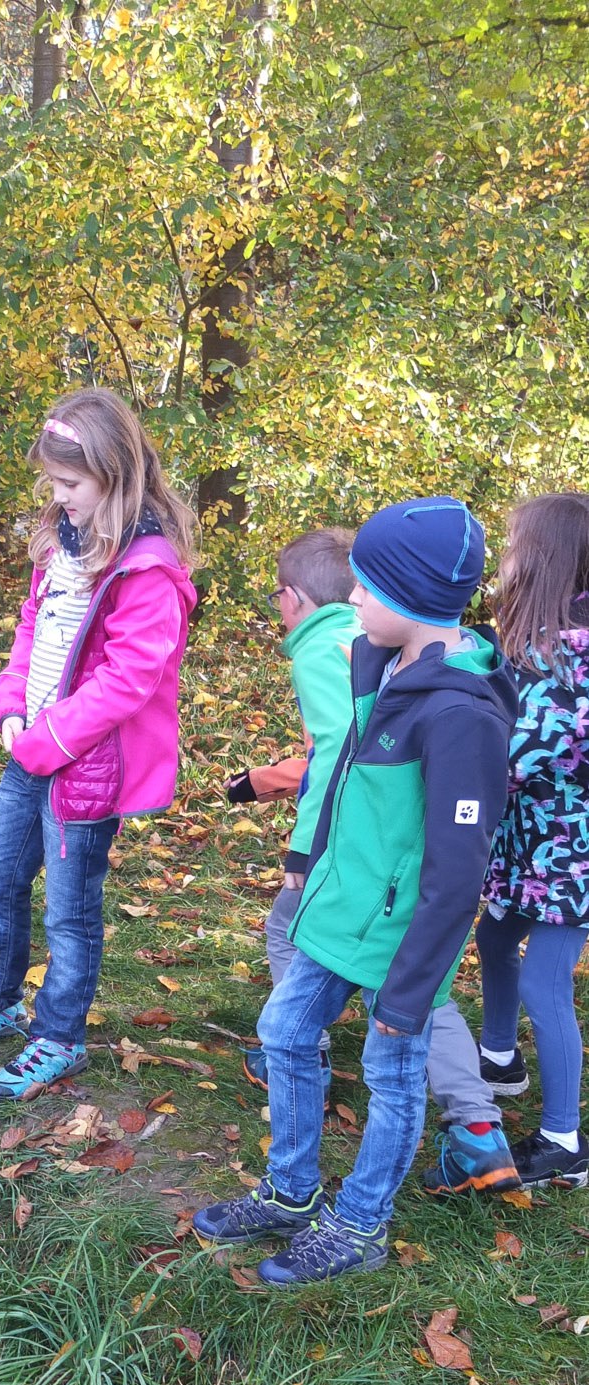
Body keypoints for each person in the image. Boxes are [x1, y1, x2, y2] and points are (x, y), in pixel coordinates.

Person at [194, 496, 516, 1284]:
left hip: (398, 934)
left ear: (410, 596)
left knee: (391, 1069)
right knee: (284, 1028)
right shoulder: (379, 664)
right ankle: (293, 1190)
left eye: (368, 588)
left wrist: (411, 989)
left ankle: (362, 1222)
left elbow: (457, 869)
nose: (355, 601)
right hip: (339, 910)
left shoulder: (459, 716)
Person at [0, 389, 197, 1099]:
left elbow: (129, 678)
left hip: (86, 768)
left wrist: (49, 738)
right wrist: (11, 701)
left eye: (71, 484)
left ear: (114, 474)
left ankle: (59, 1037)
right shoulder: (63, 543)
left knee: (70, 909)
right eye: (53, 482)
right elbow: (32, 630)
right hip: (33, 753)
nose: (59, 495)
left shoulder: (147, 569)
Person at [473, 491, 589, 1188]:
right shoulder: (532, 649)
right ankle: (499, 1059)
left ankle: (564, 1139)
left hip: (571, 861)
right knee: (492, 936)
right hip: (531, 851)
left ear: (541, 561)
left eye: (514, 545)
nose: (505, 558)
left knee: (547, 988)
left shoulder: (570, 664)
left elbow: (514, 755)